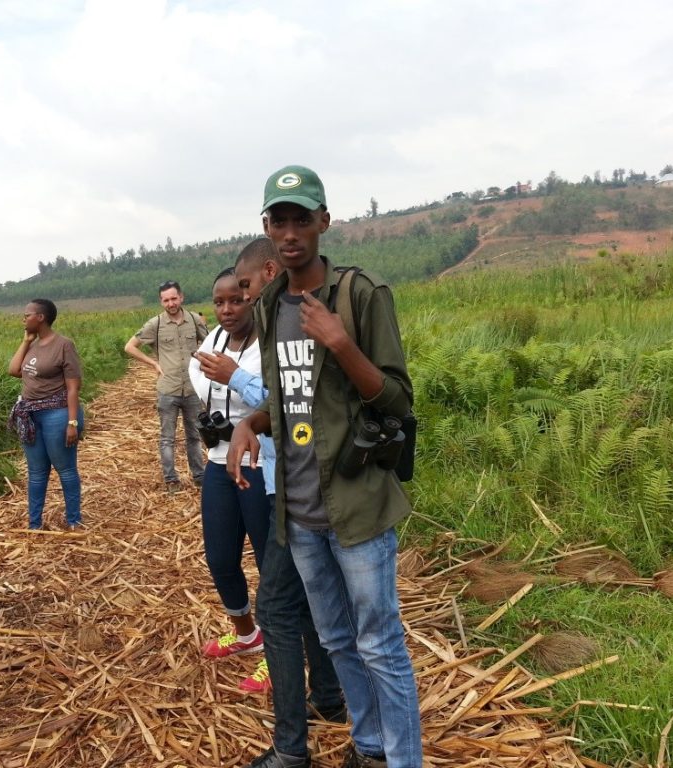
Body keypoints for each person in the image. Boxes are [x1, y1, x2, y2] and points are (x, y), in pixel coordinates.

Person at [227, 166, 423, 768]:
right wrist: (249, 422)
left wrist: (340, 343)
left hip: (356, 504)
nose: (290, 233)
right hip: (299, 510)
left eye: (302, 219)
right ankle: (369, 749)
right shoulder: (268, 307)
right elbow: (286, 400)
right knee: (336, 639)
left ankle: (403, 759)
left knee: (380, 644)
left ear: (324, 222)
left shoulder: (360, 294)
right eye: (279, 220)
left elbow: (397, 400)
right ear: (267, 227)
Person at [195, 238, 344, 767]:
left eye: (244, 291)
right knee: (304, 599)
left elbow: (292, 403)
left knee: (283, 606)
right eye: (225, 297)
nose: (237, 303)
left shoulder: (289, 326)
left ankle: (292, 748)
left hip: (288, 482)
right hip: (288, 480)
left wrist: (238, 386)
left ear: (269, 273)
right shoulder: (263, 325)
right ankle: (329, 698)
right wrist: (243, 420)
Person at [188, 269, 269, 661]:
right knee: (220, 558)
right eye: (219, 302)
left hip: (259, 464)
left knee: (271, 562)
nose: (227, 310)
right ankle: (246, 633)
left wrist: (234, 378)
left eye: (236, 300)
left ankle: (279, 650)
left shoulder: (267, 342)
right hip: (219, 462)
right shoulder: (216, 338)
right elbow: (196, 369)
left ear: (251, 298)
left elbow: (276, 400)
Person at [8, 299, 85, 530]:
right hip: (31, 416)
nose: (23, 319)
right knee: (36, 473)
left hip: (57, 414)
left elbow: (73, 388)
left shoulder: (63, 345)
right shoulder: (32, 345)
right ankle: (35, 524)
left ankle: (74, 521)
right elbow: (14, 370)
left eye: (27, 315)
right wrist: (25, 341)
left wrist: (72, 422)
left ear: (40, 317)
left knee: (66, 469)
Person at [125, 280, 208, 493]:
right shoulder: (155, 324)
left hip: (192, 389)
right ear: (161, 302)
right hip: (167, 389)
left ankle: (199, 476)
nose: (171, 304)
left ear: (181, 297)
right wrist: (153, 363)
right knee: (167, 438)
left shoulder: (194, 320)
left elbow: (209, 344)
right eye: (166, 300)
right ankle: (171, 480)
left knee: (194, 435)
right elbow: (130, 347)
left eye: (174, 298)